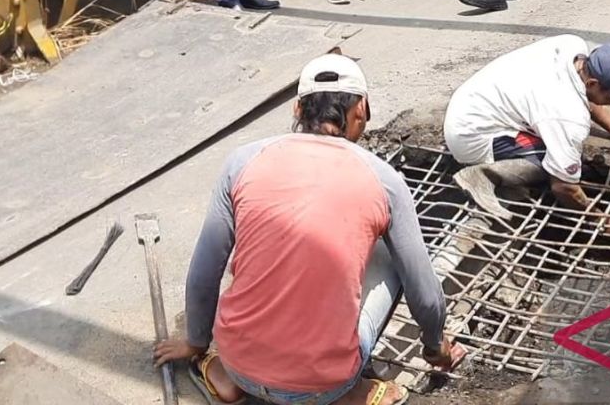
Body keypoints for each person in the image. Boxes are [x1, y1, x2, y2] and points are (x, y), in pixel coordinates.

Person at [153, 52, 464, 405]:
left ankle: (226, 377)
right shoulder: (383, 180)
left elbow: (205, 271)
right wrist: (435, 346)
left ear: (298, 110)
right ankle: (348, 393)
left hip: (238, 363)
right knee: (392, 257)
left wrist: (195, 341)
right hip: (322, 384)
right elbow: (423, 290)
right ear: (360, 109)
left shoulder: (242, 161)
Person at [443, 36, 610, 228]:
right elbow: (563, 187)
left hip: (475, 101)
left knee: (563, 150)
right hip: (472, 133)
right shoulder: (566, 114)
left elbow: (585, 93)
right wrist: (600, 219)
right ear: (593, 82)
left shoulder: (571, 47)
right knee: (553, 165)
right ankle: (482, 176)